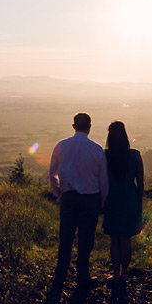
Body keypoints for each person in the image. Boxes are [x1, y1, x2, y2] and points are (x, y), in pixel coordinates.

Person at [49, 112, 109, 286]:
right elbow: (103, 180)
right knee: (86, 239)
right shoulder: (96, 149)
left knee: (66, 237)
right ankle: (83, 275)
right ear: (90, 127)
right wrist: (103, 203)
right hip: (90, 199)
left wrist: (59, 193)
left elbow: (52, 173)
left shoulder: (61, 146)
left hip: (68, 197)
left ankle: (60, 274)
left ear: (73, 126)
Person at [102, 120, 144, 284]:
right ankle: (124, 273)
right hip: (129, 199)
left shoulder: (105, 156)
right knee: (126, 238)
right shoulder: (135, 155)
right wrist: (139, 205)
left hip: (111, 199)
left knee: (114, 238)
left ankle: (115, 274)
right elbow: (140, 183)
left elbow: (101, 180)